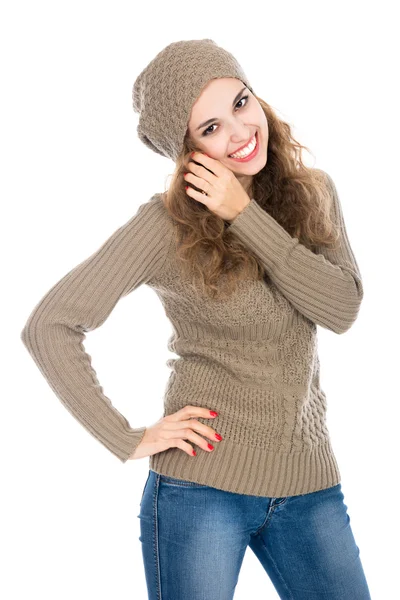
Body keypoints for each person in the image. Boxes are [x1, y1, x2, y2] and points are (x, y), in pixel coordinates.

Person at [20, 38, 371, 599]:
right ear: (186, 150)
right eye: (209, 128)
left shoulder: (314, 193)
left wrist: (246, 215)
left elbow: (341, 309)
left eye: (240, 102)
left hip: (309, 482)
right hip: (199, 488)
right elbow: (49, 325)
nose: (239, 131)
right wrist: (126, 436)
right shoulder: (165, 225)